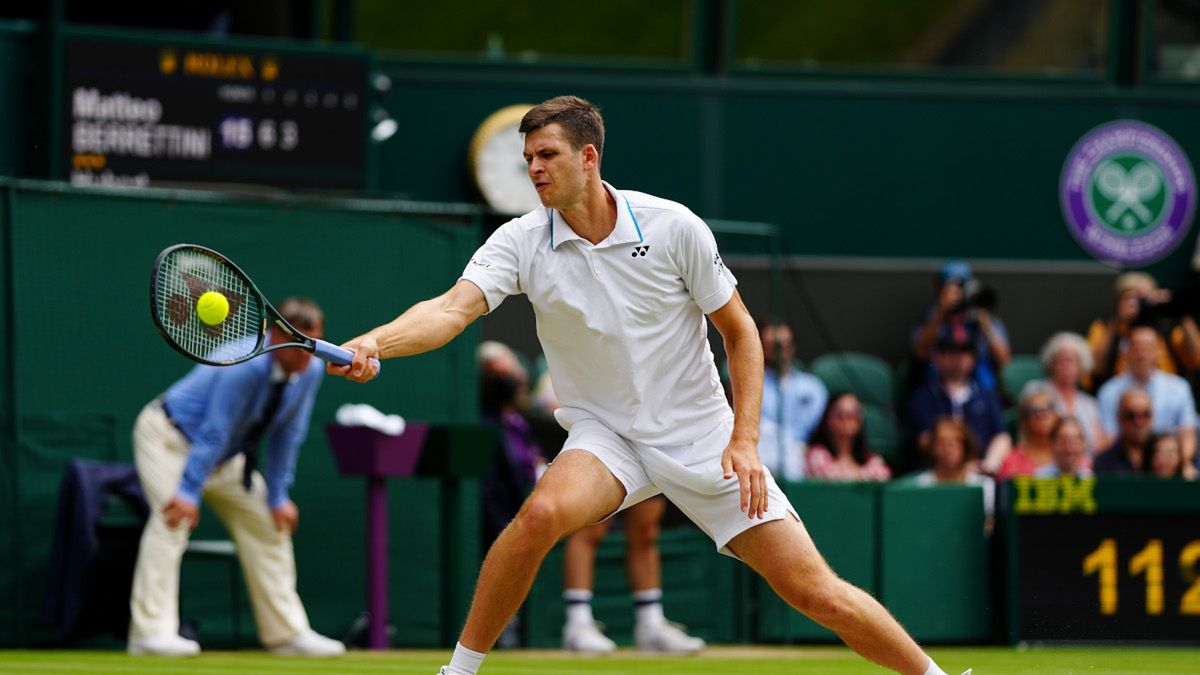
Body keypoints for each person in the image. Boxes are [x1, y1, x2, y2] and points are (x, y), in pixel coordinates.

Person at [328, 96, 964, 675]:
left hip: (702, 436)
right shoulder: (519, 240)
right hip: (607, 436)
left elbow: (741, 335)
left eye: (547, 155)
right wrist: (375, 342)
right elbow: (450, 310)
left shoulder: (674, 227)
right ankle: (458, 673)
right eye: (528, 159)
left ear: (588, 156)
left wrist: (743, 440)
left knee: (813, 591)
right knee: (540, 514)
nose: (535, 170)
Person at [128, 297, 344, 657]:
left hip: (223, 456)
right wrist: (187, 491)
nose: (304, 356)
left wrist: (278, 496)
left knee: (269, 523)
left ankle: (286, 634)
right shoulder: (242, 365)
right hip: (168, 438)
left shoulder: (311, 370)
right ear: (276, 337)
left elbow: (287, 435)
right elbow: (215, 429)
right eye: (297, 346)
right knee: (172, 519)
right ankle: (149, 634)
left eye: (312, 346)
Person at [532, 369, 704, 654]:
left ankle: (650, 625)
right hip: (601, 430)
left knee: (646, 530)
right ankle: (577, 624)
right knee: (591, 528)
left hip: (648, 428)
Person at [1096, 324, 1198, 478]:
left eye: (1148, 348)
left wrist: (1182, 462)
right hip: (1124, 463)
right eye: (1136, 348)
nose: (1142, 353)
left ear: (1158, 352)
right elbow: (1107, 438)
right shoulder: (1108, 391)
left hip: (1169, 464)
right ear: (1126, 353)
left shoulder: (1179, 388)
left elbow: (1188, 432)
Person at [907, 327, 1011, 474]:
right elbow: (924, 441)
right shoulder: (922, 397)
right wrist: (960, 468)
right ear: (937, 357)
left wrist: (988, 465)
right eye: (951, 352)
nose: (959, 358)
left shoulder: (987, 397)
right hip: (934, 476)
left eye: (965, 352)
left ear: (974, 358)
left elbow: (1001, 437)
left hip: (980, 473)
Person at [1086, 271, 1200, 389]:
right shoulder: (1105, 328)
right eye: (1130, 298)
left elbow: (1195, 357)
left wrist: (1178, 309)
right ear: (1118, 302)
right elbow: (1093, 368)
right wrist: (1117, 322)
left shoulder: (1167, 329)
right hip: (1120, 395)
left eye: (1143, 299)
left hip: (1164, 396)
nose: (1137, 305)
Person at [910, 260, 1010, 393]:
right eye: (953, 286)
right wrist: (940, 312)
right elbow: (920, 353)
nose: (958, 292)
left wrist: (985, 326)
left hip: (980, 387)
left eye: (962, 286)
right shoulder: (930, 316)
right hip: (936, 386)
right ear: (939, 289)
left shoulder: (982, 314)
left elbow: (1005, 360)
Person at [757, 322, 828, 481]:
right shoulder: (749, 383)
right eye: (771, 345)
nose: (777, 351)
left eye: (782, 345)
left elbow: (810, 430)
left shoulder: (813, 388)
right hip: (761, 457)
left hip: (801, 458)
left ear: (792, 347)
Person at [1022, 332, 1108, 456]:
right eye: (1061, 360)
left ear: (1081, 367)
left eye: (1072, 361)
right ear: (1052, 363)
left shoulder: (1090, 405)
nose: (1066, 366)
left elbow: (1097, 444)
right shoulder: (1035, 390)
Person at [908, 417, 995, 531]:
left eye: (956, 442)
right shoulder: (919, 485)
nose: (949, 448)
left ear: (965, 446)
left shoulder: (983, 485)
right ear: (932, 446)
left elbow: (987, 527)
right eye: (942, 442)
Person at [805, 392, 892, 482]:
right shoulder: (817, 455)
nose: (848, 418)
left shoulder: (871, 459)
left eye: (854, 413)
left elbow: (883, 476)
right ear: (827, 418)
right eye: (840, 413)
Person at [996, 391, 1059, 479]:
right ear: (1025, 421)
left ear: (1057, 415)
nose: (1042, 415)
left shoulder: (1070, 452)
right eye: (1034, 411)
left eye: (1049, 408)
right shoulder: (1013, 461)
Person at [1093, 389, 1156, 475]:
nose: (1139, 422)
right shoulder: (1104, 461)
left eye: (1145, 415)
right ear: (1119, 418)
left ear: (1152, 418)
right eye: (1131, 415)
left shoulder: (1164, 458)